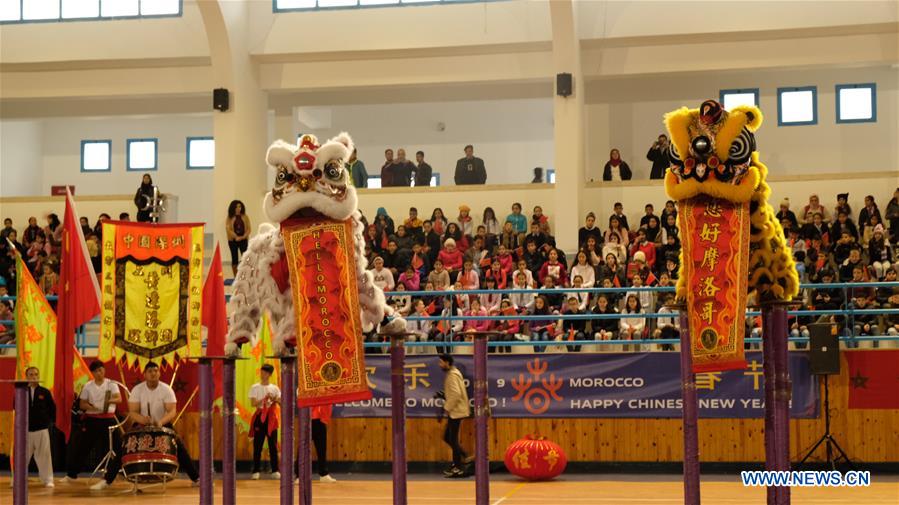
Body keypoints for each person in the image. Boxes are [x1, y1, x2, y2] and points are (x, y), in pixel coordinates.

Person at [91, 362, 199, 489]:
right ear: (145, 374)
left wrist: (160, 422)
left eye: (156, 371)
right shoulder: (138, 390)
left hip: (162, 423)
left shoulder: (166, 389)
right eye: (150, 371)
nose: (153, 373)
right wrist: (143, 419)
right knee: (124, 446)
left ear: (159, 373)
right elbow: (133, 412)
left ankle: (196, 478)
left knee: (178, 445)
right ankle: (106, 481)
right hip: (141, 423)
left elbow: (172, 411)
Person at [63, 360, 121, 483]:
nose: (99, 373)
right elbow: (82, 404)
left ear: (104, 370)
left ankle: (108, 478)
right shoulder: (88, 386)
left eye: (101, 370)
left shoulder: (111, 384)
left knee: (116, 448)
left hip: (108, 419)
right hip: (92, 419)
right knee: (82, 447)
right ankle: (71, 475)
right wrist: (93, 408)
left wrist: (107, 401)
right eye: (96, 371)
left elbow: (119, 399)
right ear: (92, 373)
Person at [21, 366, 55, 488]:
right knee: (22, 457)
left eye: (36, 374)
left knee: (44, 456)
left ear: (39, 376)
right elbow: (16, 407)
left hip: (41, 429)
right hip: (25, 430)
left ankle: (48, 479)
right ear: (26, 377)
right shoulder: (21, 392)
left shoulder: (45, 392)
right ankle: (18, 479)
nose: (34, 376)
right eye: (31, 374)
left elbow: (52, 409)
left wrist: (47, 422)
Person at [437, 354, 470, 478]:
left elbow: (456, 394)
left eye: (441, 362)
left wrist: (446, 408)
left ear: (447, 362)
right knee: (448, 437)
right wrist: (444, 394)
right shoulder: (454, 373)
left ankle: (458, 466)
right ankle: (462, 458)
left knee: (452, 439)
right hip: (456, 411)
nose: (440, 365)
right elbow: (454, 392)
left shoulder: (452, 375)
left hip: (456, 412)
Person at [249, 364, 281, 480]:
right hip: (260, 416)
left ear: (269, 374)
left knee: (273, 445)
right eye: (262, 372)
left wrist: (273, 398)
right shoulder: (255, 387)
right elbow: (253, 403)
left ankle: (275, 470)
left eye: (265, 373)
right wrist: (263, 399)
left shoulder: (275, 388)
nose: (262, 374)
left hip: (271, 418)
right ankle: (256, 471)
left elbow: (281, 402)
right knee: (257, 445)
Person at [226, 200, 251, 276]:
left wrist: (243, 237)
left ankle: (245, 275)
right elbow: (228, 230)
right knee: (234, 259)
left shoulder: (245, 217)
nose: (238, 208)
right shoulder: (229, 218)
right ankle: (236, 277)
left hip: (243, 240)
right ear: (233, 208)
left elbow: (249, 229)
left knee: (245, 258)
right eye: (236, 207)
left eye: (240, 206)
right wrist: (236, 237)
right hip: (233, 241)